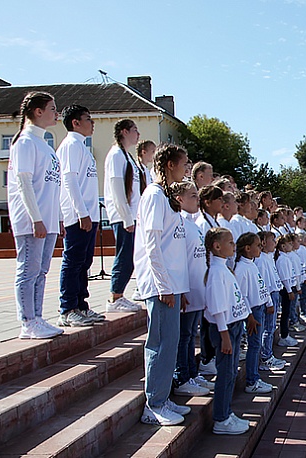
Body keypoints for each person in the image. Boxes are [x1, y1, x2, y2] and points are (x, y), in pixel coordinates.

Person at [134, 143, 191, 426]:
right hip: (161, 286)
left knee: (171, 343)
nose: (187, 167)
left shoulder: (168, 197)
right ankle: (153, 405)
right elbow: (152, 244)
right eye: (184, 163)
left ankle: (163, 397)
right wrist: (164, 286)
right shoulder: (154, 195)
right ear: (169, 164)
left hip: (172, 284)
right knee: (159, 343)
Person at [7, 91, 65, 339]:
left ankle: (38, 317)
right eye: (52, 108)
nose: (56, 113)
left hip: (48, 219)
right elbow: (23, 183)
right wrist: (36, 218)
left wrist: (58, 218)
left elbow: (54, 186)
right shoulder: (25, 142)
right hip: (32, 220)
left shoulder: (45, 144)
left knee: (41, 271)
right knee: (28, 270)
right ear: (37, 112)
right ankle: (27, 321)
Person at [56, 105, 104, 327]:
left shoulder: (83, 147)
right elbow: (69, 180)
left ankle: (81, 306)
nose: (91, 122)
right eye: (87, 118)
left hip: (90, 214)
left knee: (85, 261)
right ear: (75, 122)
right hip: (79, 215)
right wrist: (81, 213)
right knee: (73, 261)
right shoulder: (71, 145)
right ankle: (68, 308)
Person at [202, 227, 251, 435]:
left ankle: (226, 412)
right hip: (225, 329)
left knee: (231, 373)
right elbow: (217, 307)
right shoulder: (216, 273)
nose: (233, 246)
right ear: (217, 246)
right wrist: (224, 336)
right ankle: (221, 418)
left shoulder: (224, 269)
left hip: (234, 326)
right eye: (230, 242)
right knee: (225, 374)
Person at [169, 181, 212, 397]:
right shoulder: (178, 223)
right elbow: (179, 259)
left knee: (189, 334)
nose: (197, 199)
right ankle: (182, 375)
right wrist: (182, 289)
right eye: (193, 196)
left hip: (197, 287)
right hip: (187, 289)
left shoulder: (192, 223)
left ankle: (192, 374)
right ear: (180, 199)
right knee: (184, 336)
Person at [104, 119, 144, 312]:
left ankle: (119, 294)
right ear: (124, 131)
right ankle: (115, 297)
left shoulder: (126, 156)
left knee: (131, 256)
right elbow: (117, 189)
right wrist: (127, 217)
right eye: (135, 130)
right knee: (124, 255)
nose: (138, 134)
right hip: (123, 216)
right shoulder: (116, 156)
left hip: (132, 216)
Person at [233, 232, 274, 395]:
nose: (261, 247)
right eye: (258, 245)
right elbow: (241, 296)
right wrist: (249, 316)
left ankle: (254, 377)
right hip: (252, 312)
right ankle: (251, 380)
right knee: (254, 345)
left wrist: (267, 302)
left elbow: (260, 286)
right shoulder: (242, 268)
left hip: (258, 308)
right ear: (247, 248)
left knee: (256, 345)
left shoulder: (251, 264)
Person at [255, 231, 287, 371]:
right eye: (272, 240)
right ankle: (265, 357)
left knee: (271, 326)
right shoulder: (261, 260)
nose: (275, 243)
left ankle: (268, 354)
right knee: (268, 328)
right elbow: (264, 284)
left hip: (274, 294)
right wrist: (269, 302)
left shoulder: (268, 257)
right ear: (263, 243)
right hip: (268, 296)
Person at [275, 234, 300, 347]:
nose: (291, 245)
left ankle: (285, 334)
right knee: (285, 312)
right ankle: (284, 336)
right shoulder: (282, 259)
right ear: (283, 246)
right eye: (289, 244)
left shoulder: (286, 257)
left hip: (288, 288)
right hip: (286, 289)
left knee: (287, 312)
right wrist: (289, 291)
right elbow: (284, 277)